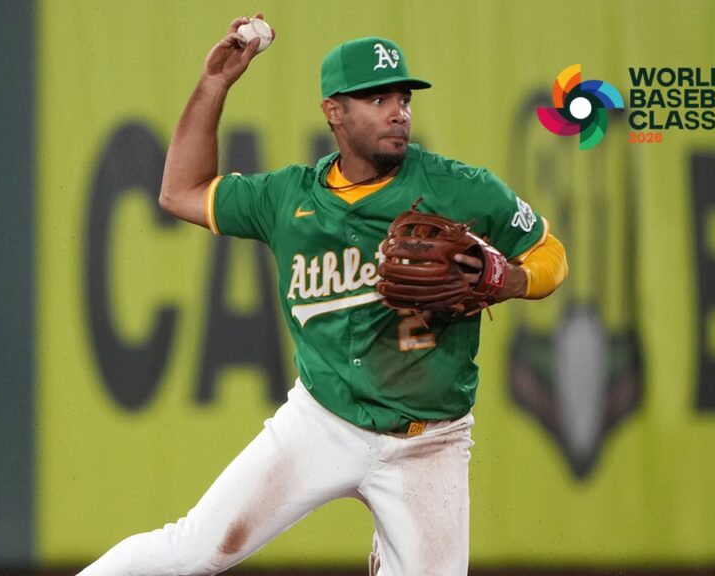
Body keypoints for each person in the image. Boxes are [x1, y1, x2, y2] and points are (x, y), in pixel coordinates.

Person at [80, 15, 568, 576]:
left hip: (428, 441)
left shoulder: (460, 188)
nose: (398, 112)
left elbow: (549, 252)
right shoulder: (287, 198)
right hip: (322, 422)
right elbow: (179, 192)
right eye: (377, 99)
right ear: (334, 111)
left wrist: (511, 280)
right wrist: (214, 84)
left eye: (404, 98)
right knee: (192, 551)